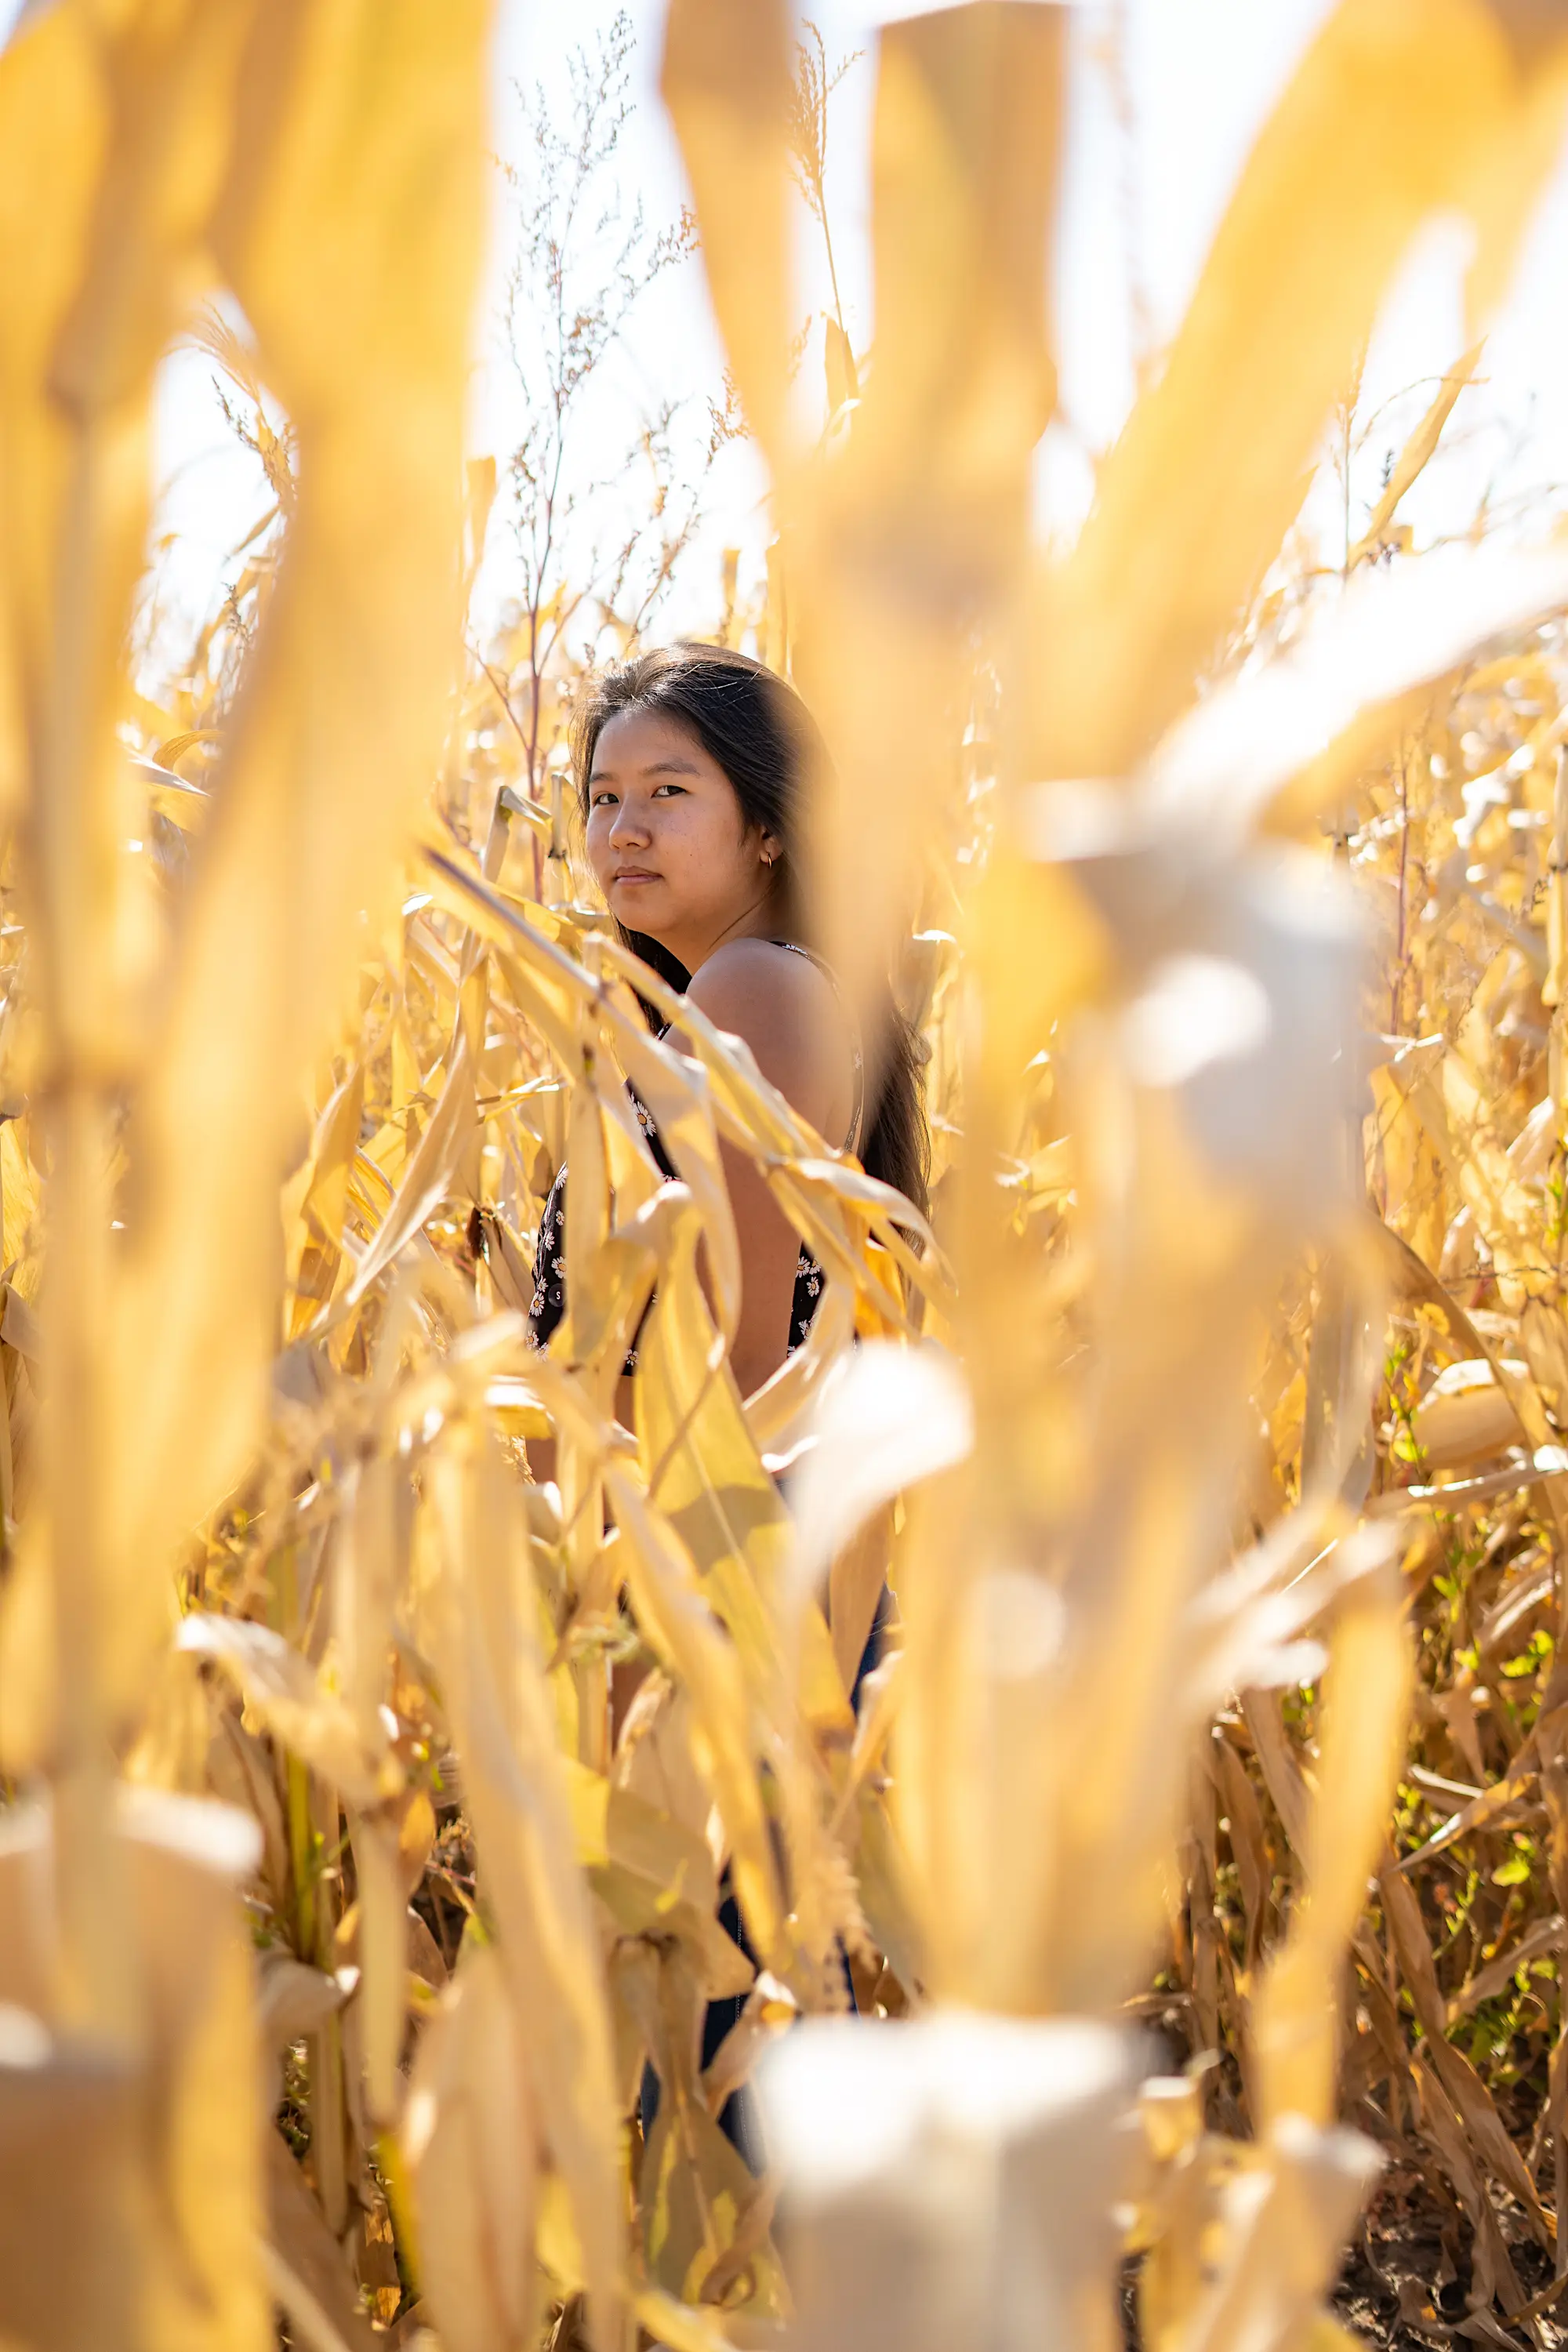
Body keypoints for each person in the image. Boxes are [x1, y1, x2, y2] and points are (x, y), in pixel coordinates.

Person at [526, 641, 928, 1392]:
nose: (622, 832)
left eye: (667, 792)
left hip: (690, 1508)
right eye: (604, 798)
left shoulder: (756, 989)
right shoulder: (772, 990)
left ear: (770, 827)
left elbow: (734, 1376)